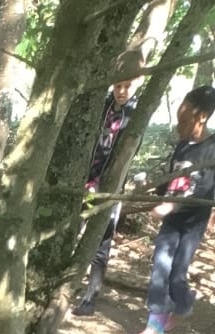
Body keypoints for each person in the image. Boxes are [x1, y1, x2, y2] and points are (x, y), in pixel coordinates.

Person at [128, 86, 215, 334]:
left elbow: (204, 189)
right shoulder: (182, 147)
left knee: (178, 272)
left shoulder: (211, 149)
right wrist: (150, 189)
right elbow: (171, 183)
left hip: (193, 223)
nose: (179, 127)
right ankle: (154, 328)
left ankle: (184, 303)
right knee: (160, 266)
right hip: (172, 222)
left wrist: (172, 206)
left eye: (184, 120)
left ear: (201, 117)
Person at [72, 53, 142, 318]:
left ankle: (90, 297)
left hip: (111, 188)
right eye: (118, 85)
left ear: (138, 82)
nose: (121, 91)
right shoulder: (102, 108)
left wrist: (108, 187)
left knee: (101, 241)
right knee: (71, 231)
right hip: (84, 183)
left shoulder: (137, 115)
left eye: (127, 86)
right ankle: (63, 284)